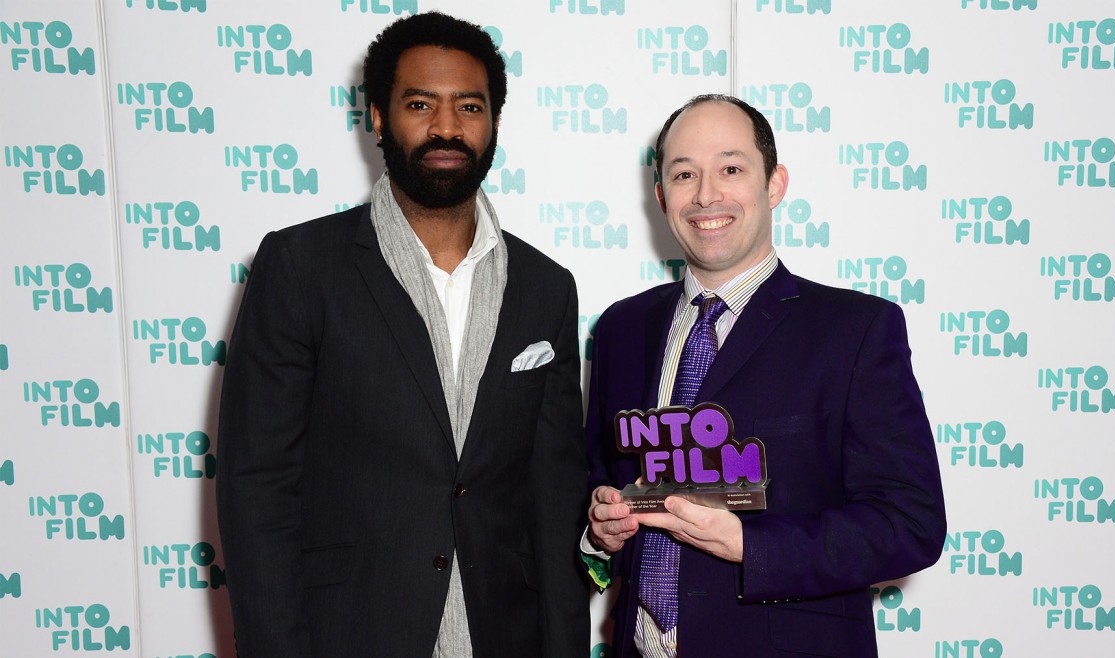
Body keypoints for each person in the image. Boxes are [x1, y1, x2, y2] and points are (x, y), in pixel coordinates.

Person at [216, 12, 588, 658]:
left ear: (495, 121)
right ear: (379, 117)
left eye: (469, 106)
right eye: (421, 103)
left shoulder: (546, 288)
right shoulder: (300, 268)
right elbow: (257, 494)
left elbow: (554, 508)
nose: (447, 127)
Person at [584, 95, 946, 657]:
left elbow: (910, 523)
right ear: (661, 197)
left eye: (731, 169)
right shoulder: (620, 330)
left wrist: (751, 545)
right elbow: (598, 480)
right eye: (684, 174)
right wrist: (600, 529)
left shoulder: (855, 330)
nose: (706, 194)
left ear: (774, 184)